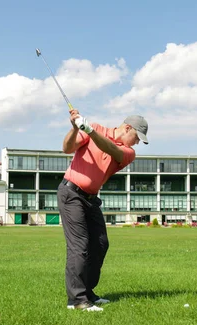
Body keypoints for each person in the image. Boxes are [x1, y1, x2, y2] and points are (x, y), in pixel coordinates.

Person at [58, 109, 149, 311]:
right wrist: (75, 128)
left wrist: (88, 129)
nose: (136, 143)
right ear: (127, 128)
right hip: (71, 193)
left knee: (100, 244)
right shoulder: (96, 129)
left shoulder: (128, 153)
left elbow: (108, 148)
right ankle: (77, 300)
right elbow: (66, 148)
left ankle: (87, 291)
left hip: (90, 199)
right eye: (136, 137)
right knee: (79, 246)